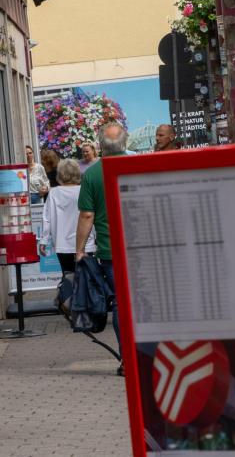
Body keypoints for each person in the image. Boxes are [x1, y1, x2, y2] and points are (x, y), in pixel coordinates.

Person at [77, 122, 127, 375]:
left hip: (110, 251)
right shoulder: (139, 164)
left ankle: (127, 360)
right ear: (125, 142)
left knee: (120, 303)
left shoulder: (93, 175)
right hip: (144, 246)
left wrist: (79, 250)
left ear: (100, 146)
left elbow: (87, 215)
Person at [38, 159, 94, 275]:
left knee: (68, 275)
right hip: (85, 242)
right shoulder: (84, 190)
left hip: (62, 243)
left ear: (60, 174)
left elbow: (47, 218)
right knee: (88, 278)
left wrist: (43, 240)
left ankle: (70, 293)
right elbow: (91, 215)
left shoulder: (53, 193)